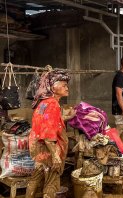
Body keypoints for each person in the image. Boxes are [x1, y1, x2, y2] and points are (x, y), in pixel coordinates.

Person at [26, 69, 74, 198]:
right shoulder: (53, 104)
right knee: (52, 183)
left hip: (38, 148)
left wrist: (65, 118)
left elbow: (46, 123)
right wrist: (56, 156)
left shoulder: (43, 103)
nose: (67, 87)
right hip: (49, 149)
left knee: (35, 179)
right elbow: (48, 134)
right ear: (53, 87)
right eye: (63, 85)